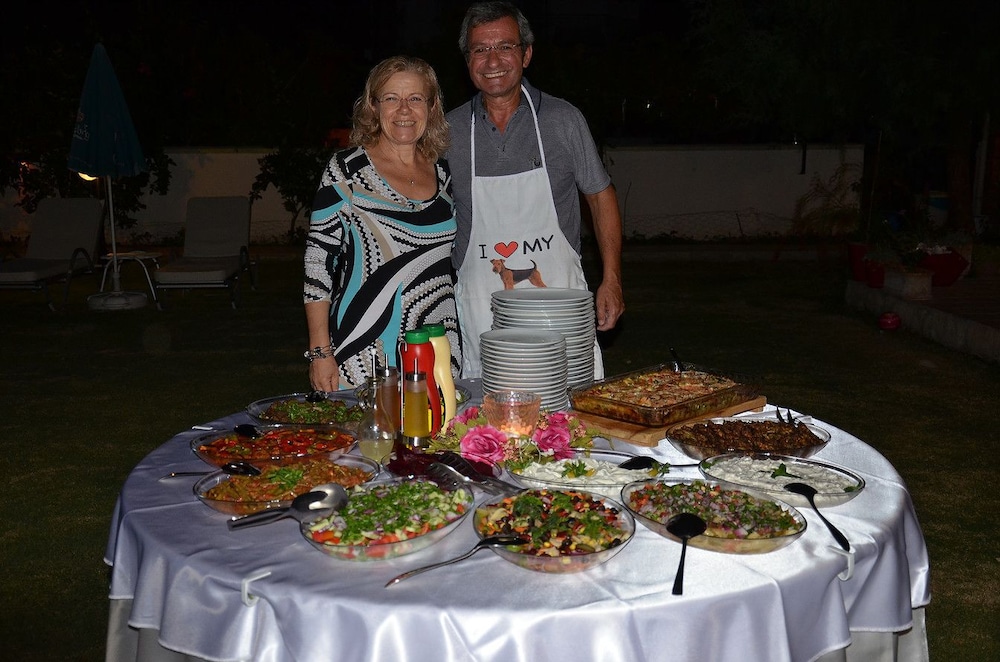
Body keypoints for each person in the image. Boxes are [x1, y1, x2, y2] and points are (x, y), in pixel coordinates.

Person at [446, 1, 625, 379]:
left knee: (568, 404)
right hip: (483, 313)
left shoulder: (563, 120)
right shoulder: (448, 132)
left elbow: (600, 195)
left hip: (560, 309)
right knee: (490, 410)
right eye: (480, 49)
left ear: (526, 54)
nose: (493, 60)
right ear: (468, 61)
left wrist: (611, 279)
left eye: (505, 47)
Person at [304, 56, 461, 390]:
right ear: (373, 107)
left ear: (431, 107)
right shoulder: (347, 171)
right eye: (391, 98)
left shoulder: (444, 173)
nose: (404, 109)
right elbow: (318, 264)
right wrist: (320, 351)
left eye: (415, 98)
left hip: (437, 349)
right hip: (365, 351)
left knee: (441, 425)